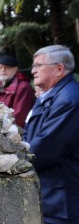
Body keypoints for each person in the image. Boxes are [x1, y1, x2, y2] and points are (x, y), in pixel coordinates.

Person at [23, 45, 79, 224]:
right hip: (51, 193)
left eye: (38, 65)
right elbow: (30, 133)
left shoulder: (69, 99)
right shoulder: (51, 95)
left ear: (59, 69)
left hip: (62, 200)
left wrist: (14, 159)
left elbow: (46, 147)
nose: (33, 71)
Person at [0, 55, 35, 127]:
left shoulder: (23, 87)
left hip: (14, 132)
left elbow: (18, 118)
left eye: (7, 67)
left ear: (15, 69)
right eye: (0, 67)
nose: (3, 70)